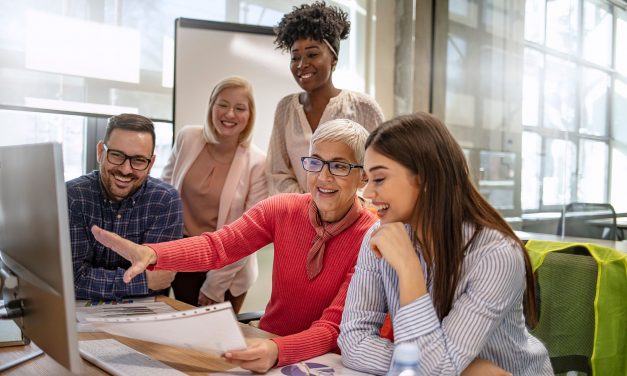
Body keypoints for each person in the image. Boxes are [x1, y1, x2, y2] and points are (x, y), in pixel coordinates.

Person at [90, 119, 378, 373]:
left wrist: (278, 351)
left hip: (327, 361)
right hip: (267, 345)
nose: (324, 177)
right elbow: (218, 247)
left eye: (339, 166)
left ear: (364, 175)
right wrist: (154, 253)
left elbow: (332, 329)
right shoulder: (283, 209)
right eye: (315, 162)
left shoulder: (372, 237)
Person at [338, 112, 553, 375]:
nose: (368, 193)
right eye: (367, 180)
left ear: (426, 178)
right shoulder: (380, 237)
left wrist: (408, 268)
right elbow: (353, 342)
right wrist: (464, 370)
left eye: (380, 179)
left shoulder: (495, 255)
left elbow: (434, 370)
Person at [161, 76, 267, 311]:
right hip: (184, 256)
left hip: (228, 267)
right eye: (223, 104)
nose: (230, 114)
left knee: (216, 344)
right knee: (181, 339)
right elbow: (163, 194)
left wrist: (215, 286)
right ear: (211, 105)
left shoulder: (258, 162)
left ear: (250, 115)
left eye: (240, 108)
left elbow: (249, 233)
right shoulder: (188, 137)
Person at [266, 1, 384, 194]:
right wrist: (309, 207)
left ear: (334, 60)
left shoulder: (364, 108)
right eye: (295, 57)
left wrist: (340, 207)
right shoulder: (285, 108)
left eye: (312, 54)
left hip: (353, 219)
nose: (302, 64)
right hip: (298, 217)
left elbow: (378, 171)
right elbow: (277, 172)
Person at [67, 113, 183, 301]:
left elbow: (161, 280)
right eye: (116, 155)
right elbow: (72, 280)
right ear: (100, 152)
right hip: (79, 317)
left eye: (138, 160)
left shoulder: (165, 201)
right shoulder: (73, 197)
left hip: (142, 317)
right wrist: (143, 281)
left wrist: (97, 280)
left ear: (151, 163)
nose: (125, 169)